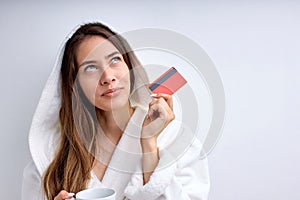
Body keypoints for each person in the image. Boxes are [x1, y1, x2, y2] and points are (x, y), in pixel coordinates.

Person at [22, 22, 210, 200]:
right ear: (75, 85)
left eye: (114, 60)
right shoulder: (50, 152)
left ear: (129, 66)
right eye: (91, 68)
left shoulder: (176, 138)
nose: (108, 77)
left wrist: (149, 145)